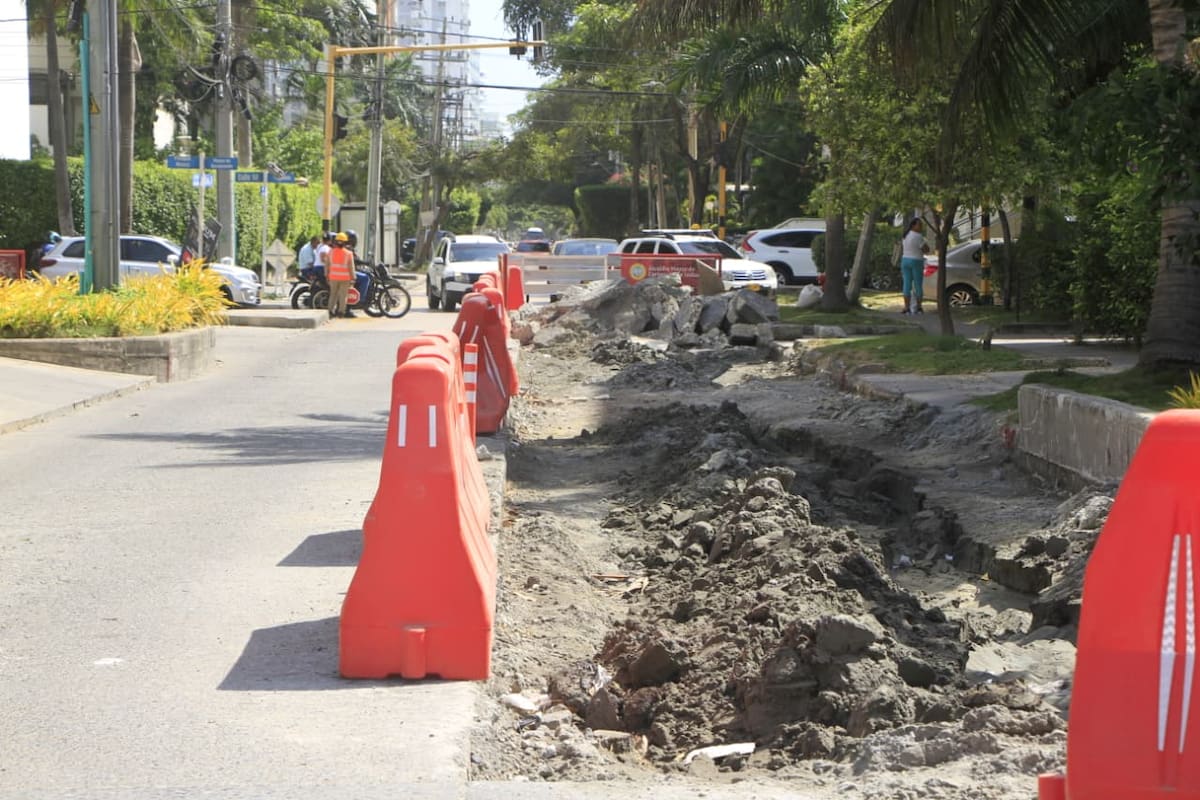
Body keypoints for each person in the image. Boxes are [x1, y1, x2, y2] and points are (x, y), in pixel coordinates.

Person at [900, 218, 930, 315]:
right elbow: (926, 250)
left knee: (906, 284)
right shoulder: (918, 236)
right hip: (916, 260)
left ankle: (906, 307)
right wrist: (926, 243)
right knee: (918, 284)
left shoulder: (905, 235)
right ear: (913, 226)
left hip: (905, 260)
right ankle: (918, 307)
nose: (921, 227)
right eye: (919, 225)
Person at [327, 231, 356, 318]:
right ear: (345, 242)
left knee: (333, 294)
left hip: (333, 277)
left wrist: (327, 275)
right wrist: (353, 278)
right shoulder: (348, 253)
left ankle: (330, 311)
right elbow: (351, 267)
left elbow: (327, 265)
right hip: (345, 278)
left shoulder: (330, 252)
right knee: (343, 296)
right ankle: (341, 312)